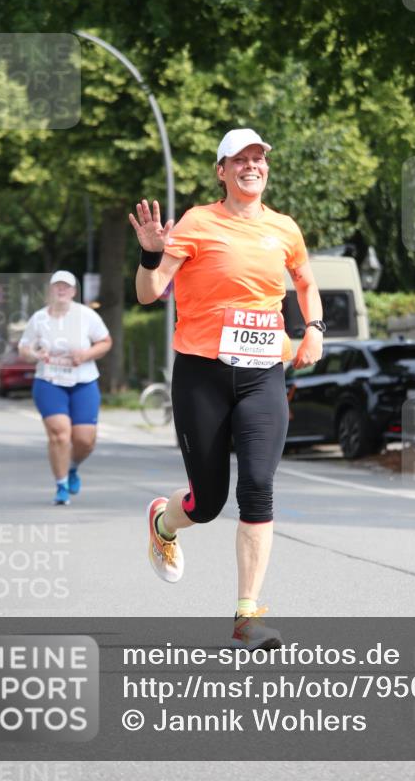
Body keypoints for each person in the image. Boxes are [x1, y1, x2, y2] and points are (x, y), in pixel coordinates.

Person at [129, 128, 325, 649]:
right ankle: (163, 522)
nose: (251, 166)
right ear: (222, 171)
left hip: (263, 375)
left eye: (258, 158)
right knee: (209, 501)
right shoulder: (197, 222)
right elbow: (150, 294)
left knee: (258, 486)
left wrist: (314, 330)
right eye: (240, 160)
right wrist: (150, 256)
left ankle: (247, 616)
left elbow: (305, 283)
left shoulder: (285, 229)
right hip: (202, 375)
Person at [18, 271, 112, 505]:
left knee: (85, 440)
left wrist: (87, 353)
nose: (61, 290)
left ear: (73, 291)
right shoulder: (39, 318)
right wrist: (35, 353)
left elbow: (105, 342)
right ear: (51, 290)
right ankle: (61, 486)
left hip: (84, 381)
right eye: (57, 286)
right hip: (49, 382)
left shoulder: (86, 315)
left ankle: (72, 467)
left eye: (66, 287)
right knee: (60, 434)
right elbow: (23, 348)